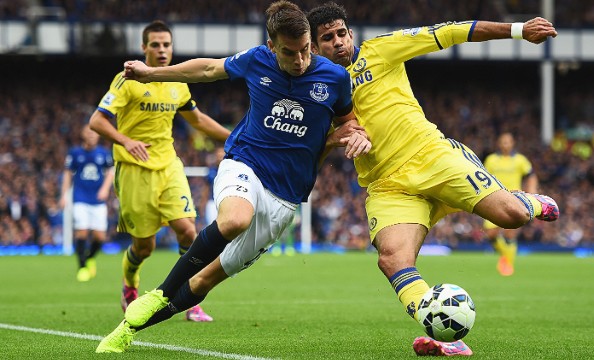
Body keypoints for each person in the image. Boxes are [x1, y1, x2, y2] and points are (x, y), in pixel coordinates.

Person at [95, 1, 371, 353]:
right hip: (245, 163)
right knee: (234, 220)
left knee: (204, 279)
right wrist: (150, 74)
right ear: (272, 47)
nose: (300, 60)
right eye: (289, 53)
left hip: (285, 197)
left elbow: (348, 120)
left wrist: (353, 133)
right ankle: (159, 293)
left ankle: (126, 330)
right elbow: (209, 69)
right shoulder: (257, 59)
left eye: (305, 50)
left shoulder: (334, 78)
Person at [306, 3, 559, 356]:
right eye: (327, 38)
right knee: (392, 259)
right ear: (314, 48)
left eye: (341, 33)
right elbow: (310, 145)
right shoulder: (311, 88)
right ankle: (446, 337)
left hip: (432, 158)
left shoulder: (383, 48)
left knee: (512, 217)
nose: (337, 42)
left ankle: (530, 202)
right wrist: (335, 138)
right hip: (387, 185)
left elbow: (451, 31)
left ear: (351, 33)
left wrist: (517, 30)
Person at [89, 20, 230, 322]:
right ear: (144, 48)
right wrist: (126, 141)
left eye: (166, 44)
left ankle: (188, 298)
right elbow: (97, 121)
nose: (162, 50)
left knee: (189, 232)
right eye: (155, 44)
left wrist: (233, 137)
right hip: (134, 170)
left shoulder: (178, 83)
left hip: (168, 165)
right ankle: (130, 284)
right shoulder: (127, 81)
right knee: (144, 246)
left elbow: (199, 121)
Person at [59, 124, 114, 282]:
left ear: (98, 135)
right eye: (88, 132)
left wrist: (105, 189)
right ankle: (82, 267)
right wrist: (64, 195)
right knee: (81, 232)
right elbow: (68, 174)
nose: (91, 135)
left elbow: (110, 172)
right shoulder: (75, 153)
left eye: (94, 132)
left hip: (97, 200)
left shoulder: (103, 153)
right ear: (83, 134)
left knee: (100, 237)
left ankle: (89, 257)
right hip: (80, 198)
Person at [483, 132, 539, 276]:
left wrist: (531, 191)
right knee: (490, 233)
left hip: (514, 199)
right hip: (494, 198)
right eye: (503, 142)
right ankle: (505, 256)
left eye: (508, 142)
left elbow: (531, 175)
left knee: (510, 233)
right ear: (498, 143)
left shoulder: (520, 160)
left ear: (513, 143)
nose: (505, 145)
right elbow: (483, 177)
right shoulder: (491, 160)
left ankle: (508, 265)